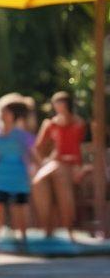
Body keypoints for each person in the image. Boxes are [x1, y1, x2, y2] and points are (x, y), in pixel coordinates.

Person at [0, 98, 36, 252]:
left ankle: (23, 240)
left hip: (19, 178)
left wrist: (36, 172)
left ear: (13, 115)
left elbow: (35, 154)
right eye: (2, 111)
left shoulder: (22, 136)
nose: (3, 114)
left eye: (7, 111)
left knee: (19, 209)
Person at [32, 90, 87, 240]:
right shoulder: (50, 124)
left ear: (67, 104)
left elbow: (76, 146)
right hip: (56, 163)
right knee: (39, 182)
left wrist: (78, 166)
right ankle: (47, 227)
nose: (58, 107)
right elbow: (37, 147)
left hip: (72, 164)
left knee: (62, 181)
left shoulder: (78, 123)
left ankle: (68, 229)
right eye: (56, 104)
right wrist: (42, 161)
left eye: (61, 103)